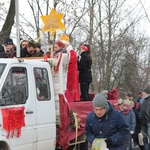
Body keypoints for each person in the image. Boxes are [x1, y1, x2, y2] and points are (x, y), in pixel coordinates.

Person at [59, 34, 80, 102]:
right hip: (67, 71)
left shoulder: (71, 52)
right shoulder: (68, 51)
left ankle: (72, 98)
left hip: (71, 72)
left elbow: (71, 61)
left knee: (71, 86)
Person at [139, 85, 150, 150]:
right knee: (145, 138)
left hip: (148, 121)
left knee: (149, 137)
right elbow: (141, 110)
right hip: (143, 121)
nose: (141, 93)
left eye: (143, 92)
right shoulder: (143, 100)